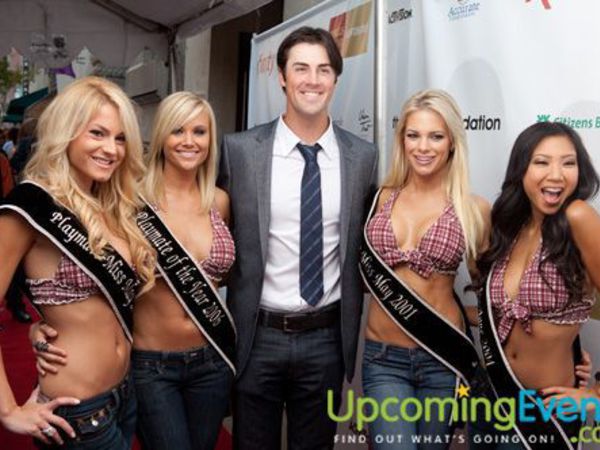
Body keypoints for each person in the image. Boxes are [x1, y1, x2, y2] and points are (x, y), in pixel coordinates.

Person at [33, 91, 237, 450]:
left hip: (212, 359)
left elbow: (218, 279)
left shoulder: (218, 201)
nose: (189, 141)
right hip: (151, 365)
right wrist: (43, 323)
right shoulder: (128, 199)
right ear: (160, 137)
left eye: (199, 132)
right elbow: (88, 269)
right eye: (177, 130)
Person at [218, 26, 378, 449]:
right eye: (301, 68)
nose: (313, 80)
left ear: (336, 79)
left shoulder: (363, 157)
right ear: (282, 77)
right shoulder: (239, 152)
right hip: (257, 336)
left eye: (324, 70)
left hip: (326, 338)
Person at [0, 76, 155, 449]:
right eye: (97, 133)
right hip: (77, 412)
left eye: (120, 138)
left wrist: (40, 328)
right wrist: (8, 410)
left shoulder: (113, 206)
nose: (111, 149)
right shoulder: (31, 206)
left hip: (124, 395)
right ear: (66, 133)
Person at [359, 89, 489, 449]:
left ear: (452, 142)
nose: (423, 147)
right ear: (402, 140)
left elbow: (495, 295)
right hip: (383, 358)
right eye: (413, 135)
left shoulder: (473, 209)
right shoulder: (380, 198)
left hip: (442, 358)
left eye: (436, 136)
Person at [473, 121, 600, 449]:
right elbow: (501, 314)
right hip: (490, 397)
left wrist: (596, 394)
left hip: (543, 410)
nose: (556, 175)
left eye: (568, 163)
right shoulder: (511, 227)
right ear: (521, 170)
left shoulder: (578, 217)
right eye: (542, 162)